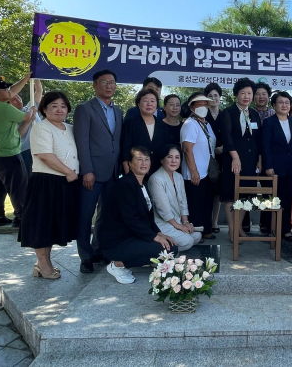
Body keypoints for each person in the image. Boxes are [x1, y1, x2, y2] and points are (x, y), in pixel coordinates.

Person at [18, 91, 80, 280]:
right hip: (45, 182)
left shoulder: (69, 128)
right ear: (45, 109)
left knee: (51, 225)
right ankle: (43, 264)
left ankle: (44, 263)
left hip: (64, 183)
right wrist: (68, 172)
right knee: (41, 224)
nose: (59, 109)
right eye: (54, 106)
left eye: (63, 106)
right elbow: (45, 155)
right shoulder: (41, 128)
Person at [98, 146, 177, 284]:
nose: (144, 163)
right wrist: (154, 237)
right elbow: (130, 218)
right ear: (129, 163)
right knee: (164, 249)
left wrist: (160, 233)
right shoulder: (125, 185)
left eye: (147, 159)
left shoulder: (143, 184)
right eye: (139, 159)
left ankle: (140, 259)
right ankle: (118, 265)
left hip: (133, 236)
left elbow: (148, 218)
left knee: (172, 246)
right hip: (117, 242)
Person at [73, 69, 124, 274]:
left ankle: (99, 250)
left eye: (112, 82)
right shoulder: (85, 109)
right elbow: (82, 142)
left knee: (105, 215)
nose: (109, 86)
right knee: (85, 215)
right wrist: (87, 170)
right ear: (94, 85)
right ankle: (85, 257)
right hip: (92, 173)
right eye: (104, 82)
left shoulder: (118, 111)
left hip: (112, 172)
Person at [0, 74, 35, 227]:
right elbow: (27, 117)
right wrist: (31, 111)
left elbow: (12, 92)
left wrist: (25, 78)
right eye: (4, 90)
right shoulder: (5, 108)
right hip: (8, 156)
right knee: (18, 187)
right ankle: (21, 218)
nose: (9, 92)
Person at [219, 78, 262, 241]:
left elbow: (258, 139)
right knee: (231, 195)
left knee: (246, 195)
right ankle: (231, 230)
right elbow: (227, 136)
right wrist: (235, 157)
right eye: (243, 93)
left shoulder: (255, 114)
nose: (246, 96)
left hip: (250, 160)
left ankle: (239, 228)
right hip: (233, 159)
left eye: (249, 93)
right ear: (236, 94)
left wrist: (259, 160)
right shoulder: (228, 112)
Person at [261, 91, 292, 240]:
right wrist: (268, 166)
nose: (284, 105)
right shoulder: (268, 122)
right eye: (281, 102)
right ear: (274, 105)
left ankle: (285, 230)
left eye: (287, 102)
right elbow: (265, 146)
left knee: (286, 199)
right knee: (271, 199)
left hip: (291, 168)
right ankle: (269, 228)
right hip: (274, 168)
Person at [149, 145, 201, 251]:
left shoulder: (178, 176)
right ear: (162, 160)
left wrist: (185, 222)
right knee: (188, 241)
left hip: (176, 221)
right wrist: (178, 226)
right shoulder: (156, 179)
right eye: (169, 157)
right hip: (162, 223)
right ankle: (158, 248)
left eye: (177, 157)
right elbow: (163, 209)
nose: (174, 161)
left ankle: (172, 243)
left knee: (197, 236)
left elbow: (183, 201)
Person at [181, 93, 217, 240]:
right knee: (195, 203)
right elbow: (187, 149)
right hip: (195, 172)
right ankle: (196, 233)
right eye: (199, 104)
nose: (203, 107)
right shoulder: (190, 124)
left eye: (205, 104)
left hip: (207, 171)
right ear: (192, 107)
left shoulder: (206, 124)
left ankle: (206, 230)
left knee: (207, 201)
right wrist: (193, 171)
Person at [121, 89, 170, 176]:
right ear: (138, 104)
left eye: (152, 101)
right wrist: (128, 173)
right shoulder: (130, 123)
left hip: (158, 172)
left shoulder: (162, 125)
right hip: (136, 172)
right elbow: (125, 149)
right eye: (145, 101)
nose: (149, 104)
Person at [9, 79, 43, 177]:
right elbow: (18, 134)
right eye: (13, 99)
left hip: (41, 147)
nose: (17, 100)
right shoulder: (12, 117)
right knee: (29, 177)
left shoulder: (30, 106)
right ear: (9, 104)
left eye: (17, 97)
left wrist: (35, 77)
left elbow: (39, 91)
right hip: (27, 150)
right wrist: (29, 121)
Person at [204, 83, 225, 234]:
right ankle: (205, 220)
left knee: (218, 191)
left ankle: (215, 221)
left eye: (216, 95)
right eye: (210, 96)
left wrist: (224, 148)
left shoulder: (225, 115)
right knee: (206, 190)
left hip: (222, 157)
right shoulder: (202, 115)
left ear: (220, 97)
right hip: (205, 157)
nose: (213, 98)